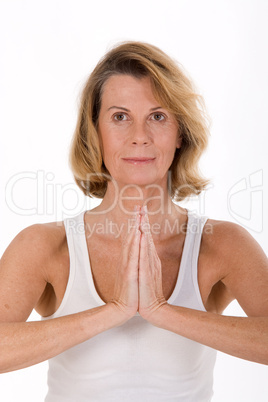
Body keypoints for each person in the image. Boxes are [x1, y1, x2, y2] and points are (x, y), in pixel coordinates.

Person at [0, 41, 267, 402]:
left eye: (157, 116)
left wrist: (162, 311)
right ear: (95, 132)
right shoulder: (46, 245)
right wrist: (113, 312)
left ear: (180, 135)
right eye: (120, 117)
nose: (139, 136)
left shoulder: (221, 243)